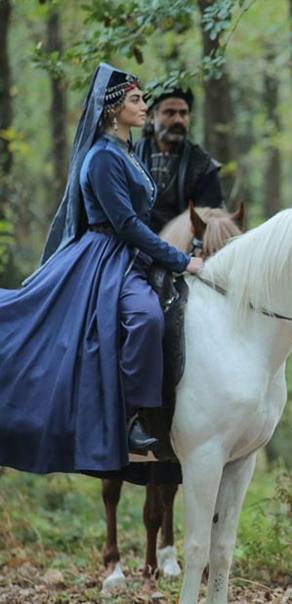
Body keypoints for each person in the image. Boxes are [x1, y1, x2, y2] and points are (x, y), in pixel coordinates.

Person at [0, 64, 202, 475]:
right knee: (145, 319)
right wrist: (181, 259)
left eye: (142, 99)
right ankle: (132, 420)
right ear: (113, 110)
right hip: (108, 255)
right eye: (136, 100)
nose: (145, 106)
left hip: (129, 253)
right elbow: (126, 225)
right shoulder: (103, 158)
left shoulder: (126, 151)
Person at [134, 88, 225, 233]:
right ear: (152, 116)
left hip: (184, 246)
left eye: (183, 113)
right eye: (169, 113)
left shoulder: (202, 165)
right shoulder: (130, 156)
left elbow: (211, 217)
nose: (178, 120)